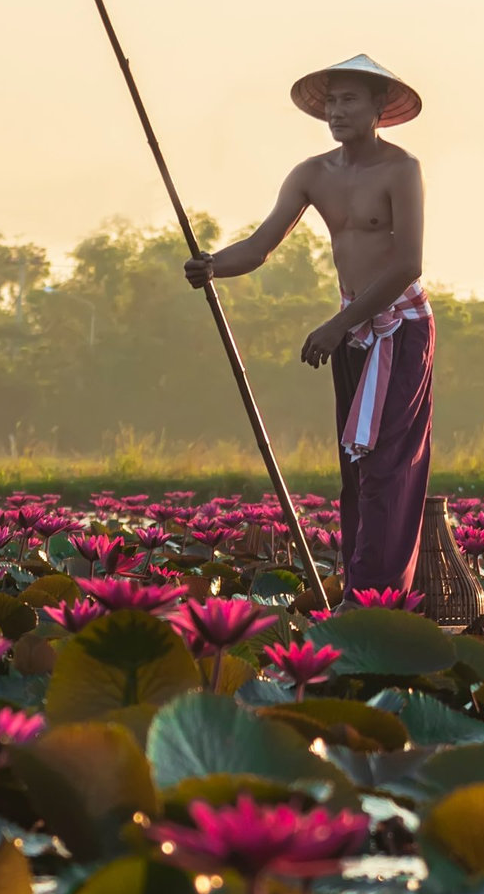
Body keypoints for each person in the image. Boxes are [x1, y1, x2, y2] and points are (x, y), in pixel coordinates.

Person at [183, 54, 431, 600]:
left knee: (388, 464)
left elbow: (407, 263)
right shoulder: (312, 173)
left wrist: (339, 323)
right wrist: (212, 265)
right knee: (355, 464)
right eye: (332, 102)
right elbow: (258, 246)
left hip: (400, 328)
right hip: (351, 330)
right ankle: (358, 592)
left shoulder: (401, 169)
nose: (337, 112)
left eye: (350, 101)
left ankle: (377, 595)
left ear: (378, 108)